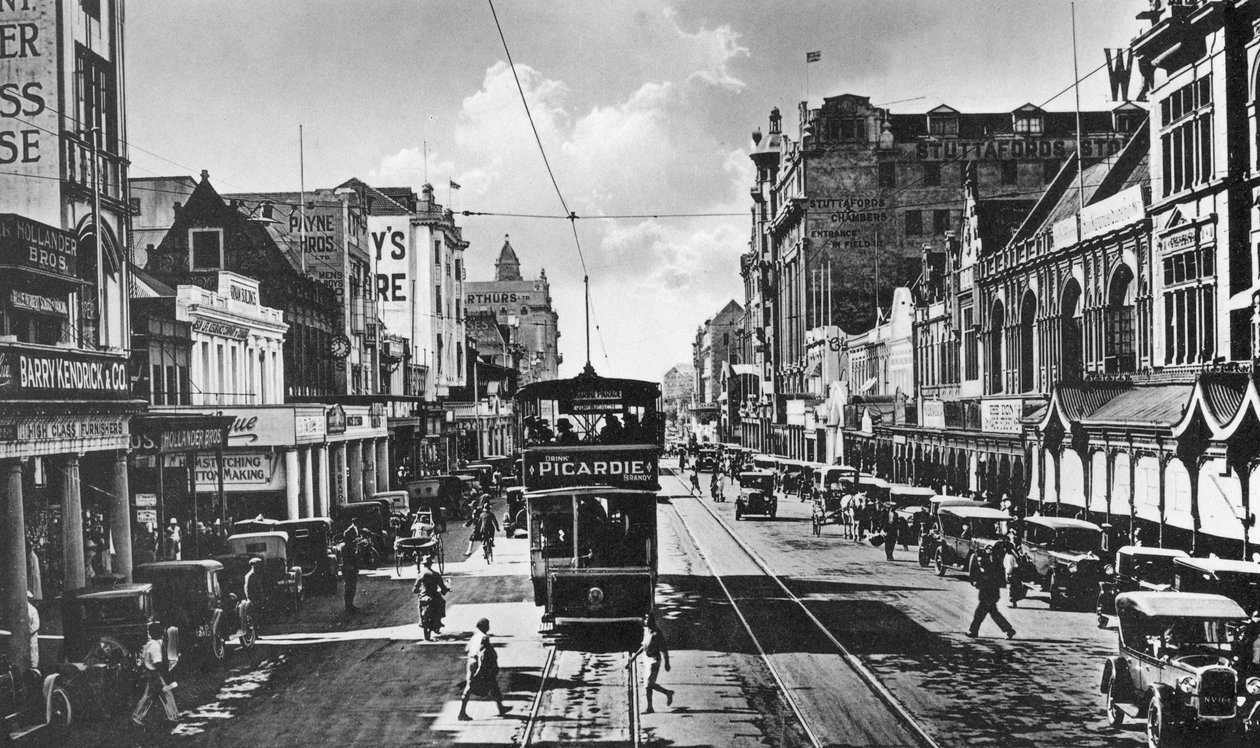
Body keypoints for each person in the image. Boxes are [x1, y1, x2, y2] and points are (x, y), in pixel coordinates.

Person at [458, 618, 510, 720]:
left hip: (471, 661)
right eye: (487, 625)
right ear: (484, 626)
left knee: (488, 684)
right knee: (488, 683)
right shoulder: (484, 637)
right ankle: (462, 713)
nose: (488, 627)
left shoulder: (474, 636)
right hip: (479, 662)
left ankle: (501, 708)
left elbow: (467, 649)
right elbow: (484, 651)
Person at [131, 622, 179, 727]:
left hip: (150, 673)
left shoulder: (150, 644)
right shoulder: (155, 646)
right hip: (155, 674)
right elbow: (157, 663)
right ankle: (173, 716)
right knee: (164, 694)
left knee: (151, 695)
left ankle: (138, 716)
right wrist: (166, 675)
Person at [627, 613, 675, 713]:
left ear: (651, 621)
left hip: (654, 660)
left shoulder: (656, 634)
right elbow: (643, 646)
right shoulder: (646, 631)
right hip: (647, 659)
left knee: (648, 684)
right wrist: (634, 658)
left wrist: (667, 663)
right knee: (649, 684)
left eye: (647, 619)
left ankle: (650, 707)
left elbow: (664, 649)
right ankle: (667, 693)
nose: (645, 621)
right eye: (645, 619)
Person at [967, 547, 1016, 639]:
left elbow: (989, 581)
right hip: (988, 595)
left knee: (980, 614)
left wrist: (978, 583)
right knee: (993, 614)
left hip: (989, 596)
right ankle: (1009, 630)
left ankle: (973, 631)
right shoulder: (987, 568)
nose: (979, 562)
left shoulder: (990, 569)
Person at [413, 554, 450, 640]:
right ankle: (439, 620)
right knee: (442, 602)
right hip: (434, 596)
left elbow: (415, 588)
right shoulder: (435, 574)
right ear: (431, 564)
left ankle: (421, 620)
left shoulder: (420, 574)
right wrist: (445, 590)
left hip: (423, 597)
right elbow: (442, 587)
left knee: (420, 605)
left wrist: (417, 591)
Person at [341, 518, 362, 613]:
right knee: (350, 587)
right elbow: (350, 559)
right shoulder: (348, 548)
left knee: (351, 587)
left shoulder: (348, 546)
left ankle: (350, 605)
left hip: (350, 568)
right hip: (349, 569)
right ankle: (348, 606)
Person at [27, 591, 39, 668]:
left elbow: (36, 625)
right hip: (22, 636)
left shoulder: (32, 610)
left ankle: (34, 668)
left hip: (31, 636)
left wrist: (27, 632)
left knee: (33, 652)